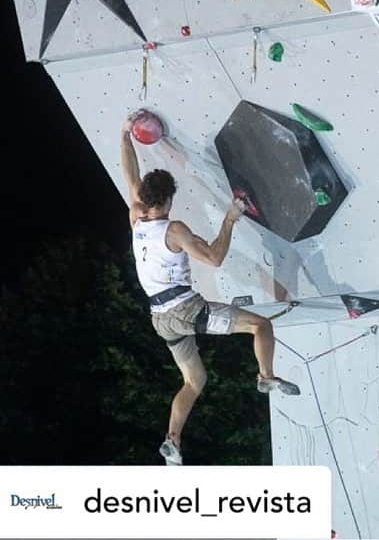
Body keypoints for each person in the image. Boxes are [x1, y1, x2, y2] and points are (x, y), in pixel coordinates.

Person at [120, 113, 299, 465]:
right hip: (187, 311)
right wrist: (231, 218)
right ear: (169, 200)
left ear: (144, 197)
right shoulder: (175, 230)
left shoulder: (136, 216)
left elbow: (130, 176)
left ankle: (173, 439)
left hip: (162, 321)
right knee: (260, 326)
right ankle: (265, 377)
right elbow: (215, 258)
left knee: (195, 381)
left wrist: (126, 136)